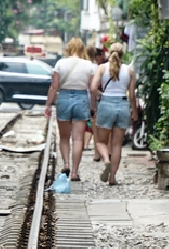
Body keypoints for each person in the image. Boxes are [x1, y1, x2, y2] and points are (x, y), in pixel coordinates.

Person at [44, 38, 96, 182]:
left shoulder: (60, 63)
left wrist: (48, 104)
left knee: (64, 137)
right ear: (81, 50)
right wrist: (93, 106)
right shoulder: (89, 65)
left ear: (68, 49)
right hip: (82, 98)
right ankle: (74, 172)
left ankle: (66, 163)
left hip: (64, 98)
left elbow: (54, 86)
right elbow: (92, 89)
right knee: (78, 138)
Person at [90, 42, 137, 186]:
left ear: (109, 53)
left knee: (100, 141)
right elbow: (132, 96)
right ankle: (112, 178)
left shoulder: (102, 68)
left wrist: (101, 93)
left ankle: (106, 160)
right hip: (122, 106)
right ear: (123, 54)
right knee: (117, 145)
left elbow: (92, 88)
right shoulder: (129, 71)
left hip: (106, 105)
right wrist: (134, 111)